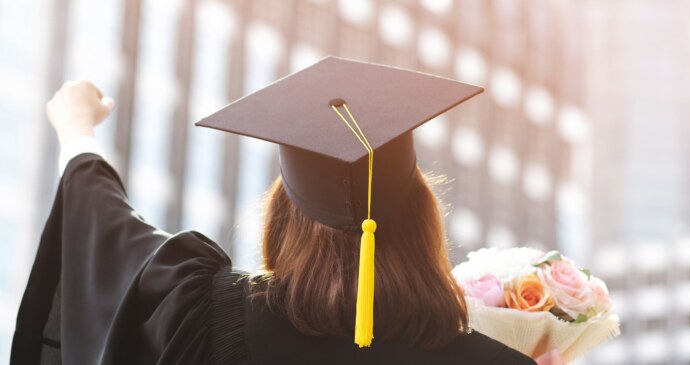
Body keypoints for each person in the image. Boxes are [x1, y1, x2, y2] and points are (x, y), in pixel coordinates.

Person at [13, 58, 559, 364]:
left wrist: (77, 134)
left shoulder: (210, 313)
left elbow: (108, 233)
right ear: (424, 219)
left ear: (283, 217)